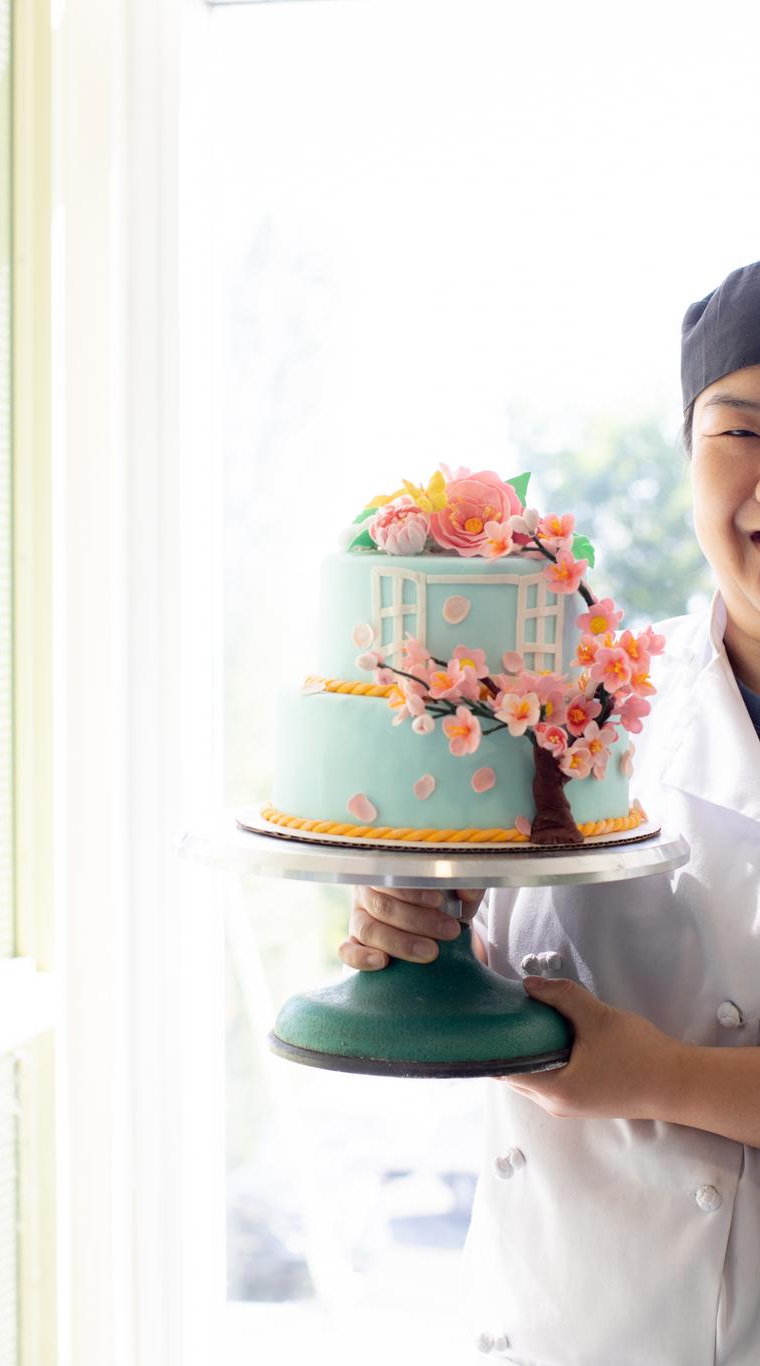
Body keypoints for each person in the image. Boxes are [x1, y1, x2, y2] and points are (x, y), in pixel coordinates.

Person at [340, 262, 760, 1365]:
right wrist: (408, 926)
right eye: (741, 429)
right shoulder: (582, 702)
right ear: (686, 453)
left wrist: (660, 1078)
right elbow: (474, 959)